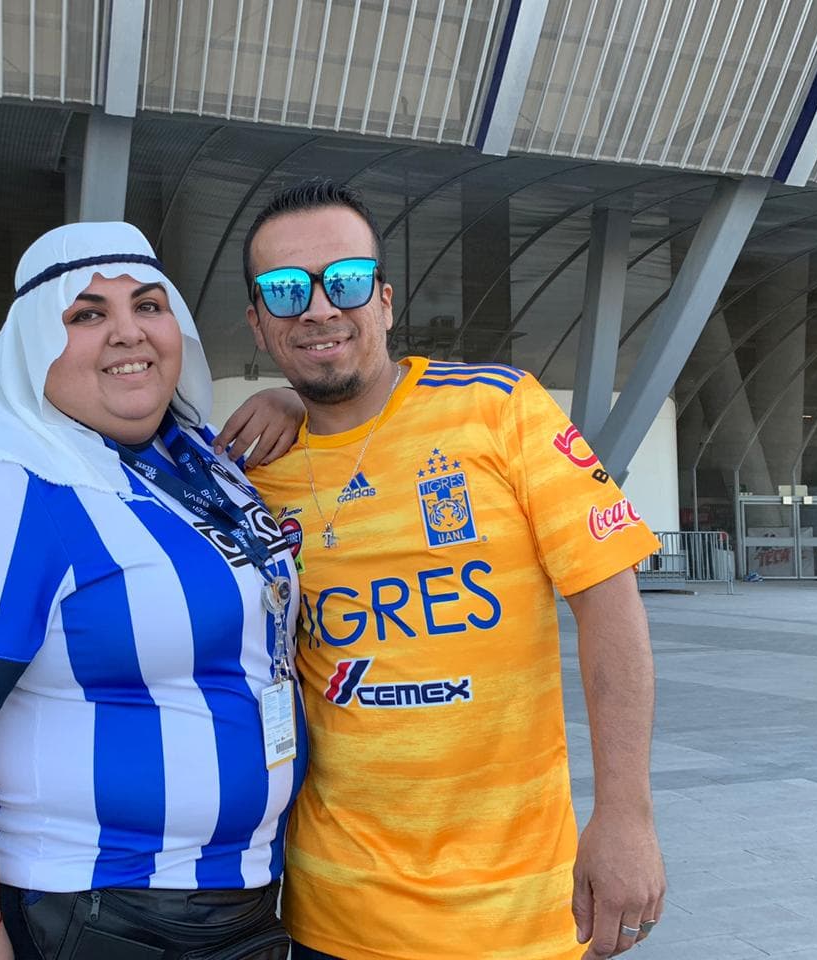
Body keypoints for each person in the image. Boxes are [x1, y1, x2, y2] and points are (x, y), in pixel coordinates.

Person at [228, 180, 666, 960]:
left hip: (520, 916)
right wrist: (289, 406)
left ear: (386, 302)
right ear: (260, 325)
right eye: (287, 291)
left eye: (348, 281)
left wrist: (626, 816)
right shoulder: (253, 475)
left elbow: (608, 602)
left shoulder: (501, 410)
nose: (321, 308)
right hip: (332, 918)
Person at [0, 222, 306, 960]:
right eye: (87, 315)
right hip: (107, 913)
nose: (126, 332)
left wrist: (298, 402)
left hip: (245, 896)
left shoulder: (192, 461)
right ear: (33, 343)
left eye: (148, 306)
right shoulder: (3, 482)